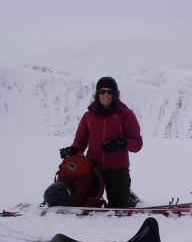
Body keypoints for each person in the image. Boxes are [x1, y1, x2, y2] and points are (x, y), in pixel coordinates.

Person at [60, 76, 143, 207]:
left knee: (119, 208)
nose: (106, 95)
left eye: (110, 92)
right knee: (83, 204)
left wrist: (120, 144)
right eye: (102, 91)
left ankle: (128, 197)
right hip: (92, 169)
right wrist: (73, 151)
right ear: (97, 94)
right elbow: (80, 142)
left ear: (115, 94)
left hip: (117, 170)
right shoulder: (88, 116)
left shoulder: (126, 114)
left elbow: (137, 144)